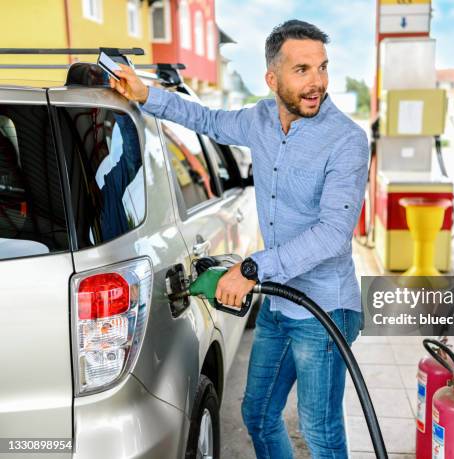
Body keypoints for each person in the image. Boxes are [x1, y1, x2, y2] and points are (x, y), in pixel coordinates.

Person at [110, 19, 369, 459]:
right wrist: (144, 94)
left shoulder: (346, 140)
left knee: (320, 429)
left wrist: (252, 268)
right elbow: (204, 118)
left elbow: (332, 235)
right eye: (302, 70)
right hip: (281, 303)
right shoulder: (261, 119)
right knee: (259, 414)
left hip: (325, 306)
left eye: (322, 68)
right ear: (272, 78)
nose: (318, 83)